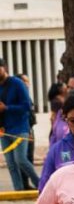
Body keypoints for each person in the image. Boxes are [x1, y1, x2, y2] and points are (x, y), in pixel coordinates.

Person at [0, 58, 41, 191]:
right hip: (4, 129)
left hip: (19, 128)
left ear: (4, 68)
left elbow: (26, 105)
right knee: (11, 164)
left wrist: (7, 108)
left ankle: (41, 185)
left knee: (21, 160)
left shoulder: (17, 83)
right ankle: (18, 190)